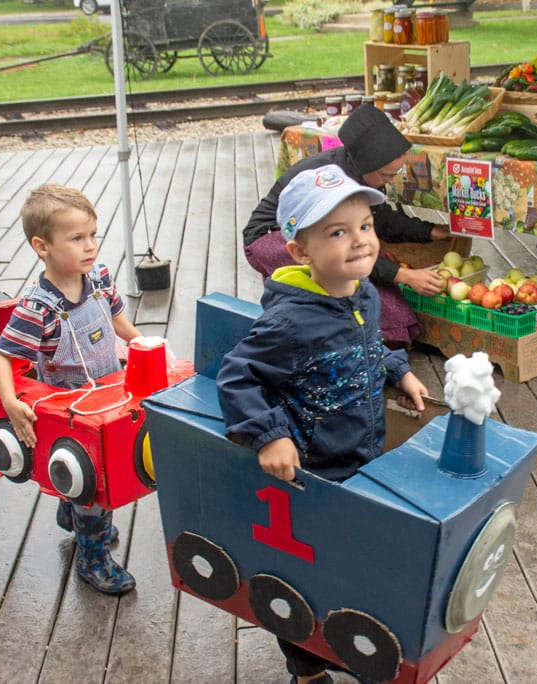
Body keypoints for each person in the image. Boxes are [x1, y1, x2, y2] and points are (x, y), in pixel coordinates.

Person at [217, 164, 429, 683]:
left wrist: (398, 371)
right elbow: (237, 376)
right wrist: (270, 435)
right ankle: (307, 670)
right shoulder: (289, 321)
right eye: (337, 232)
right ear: (299, 252)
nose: (359, 241)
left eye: (365, 226)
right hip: (311, 476)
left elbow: (370, 344)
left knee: (358, 570)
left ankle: (361, 646)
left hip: (362, 461)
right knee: (305, 581)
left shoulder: (363, 295)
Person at [0, 184, 142, 596]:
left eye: (93, 235)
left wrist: (141, 342)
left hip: (108, 395)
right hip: (70, 412)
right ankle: (93, 559)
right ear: (42, 246)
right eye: (77, 238)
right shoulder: (38, 308)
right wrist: (10, 400)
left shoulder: (97, 278)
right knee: (96, 484)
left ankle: (72, 512)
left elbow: (116, 321)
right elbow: (1, 356)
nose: (90, 246)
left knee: (100, 476)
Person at [243, 103, 452, 345]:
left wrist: (429, 232)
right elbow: (340, 249)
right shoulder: (330, 182)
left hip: (329, 240)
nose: (391, 180)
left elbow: (381, 219)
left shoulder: (362, 174)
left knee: (392, 307)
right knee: (353, 287)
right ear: (366, 167)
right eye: (387, 175)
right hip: (276, 237)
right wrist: (404, 275)